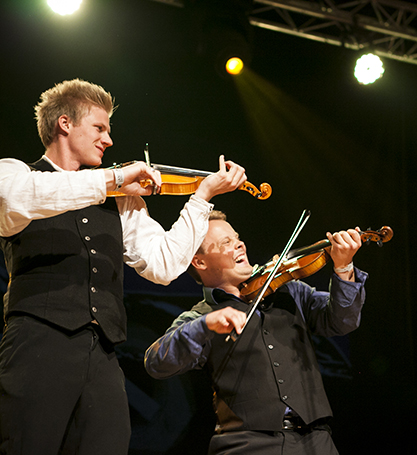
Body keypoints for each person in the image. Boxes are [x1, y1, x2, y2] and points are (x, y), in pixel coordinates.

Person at [0, 79, 247, 455]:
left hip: (102, 353)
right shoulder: (16, 175)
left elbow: (163, 265)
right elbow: (17, 198)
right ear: (64, 124)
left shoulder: (119, 201)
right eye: (99, 128)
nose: (109, 140)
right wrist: (113, 178)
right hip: (37, 344)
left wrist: (201, 197)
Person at [144, 210, 368, 454]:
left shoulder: (288, 289)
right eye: (226, 243)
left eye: (237, 237)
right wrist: (206, 324)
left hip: (316, 441)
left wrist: (344, 267)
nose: (239, 244)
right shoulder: (200, 316)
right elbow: (156, 362)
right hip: (246, 445)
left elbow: (342, 321)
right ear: (200, 261)